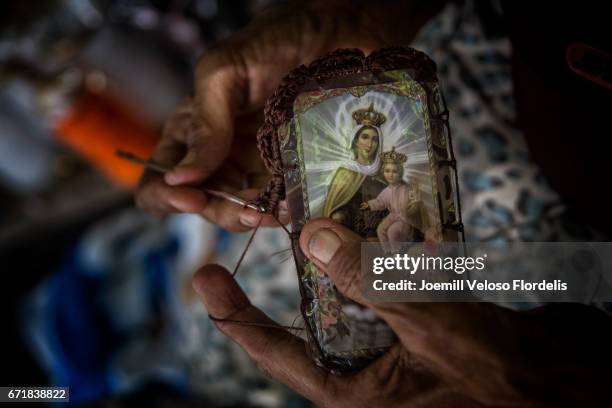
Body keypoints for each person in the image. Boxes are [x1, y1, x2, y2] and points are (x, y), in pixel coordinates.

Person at [135, 0, 612, 406]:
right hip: (502, 65)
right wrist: (362, 17)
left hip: (577, 266)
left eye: (372, 141)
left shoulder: (401, 173)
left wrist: (575, 385)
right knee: (224, 344)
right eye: (361, 140)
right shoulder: (351, 169)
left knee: (224, 348)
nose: (367, 147)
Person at [323, 104, 387, 238]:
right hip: (354, 232)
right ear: (356, 141)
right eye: (365, 137)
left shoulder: (385, 173)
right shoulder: (345, 173)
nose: (370, 144)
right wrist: (338, 215)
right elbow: (336, 208)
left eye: (374, 139)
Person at [361, 147, 429, 250]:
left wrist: (414, 196)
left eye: (394, 171)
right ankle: (387, 252)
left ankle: (396, 252)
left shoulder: (406, 188)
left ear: (400, 173)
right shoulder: (386, 191)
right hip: (393, 216)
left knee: (392, 231)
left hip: (405, 218)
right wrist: (369, 205)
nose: (390, 175)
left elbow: (415, 201)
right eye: (387, 171)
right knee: (380, 230)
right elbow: (380, 202)